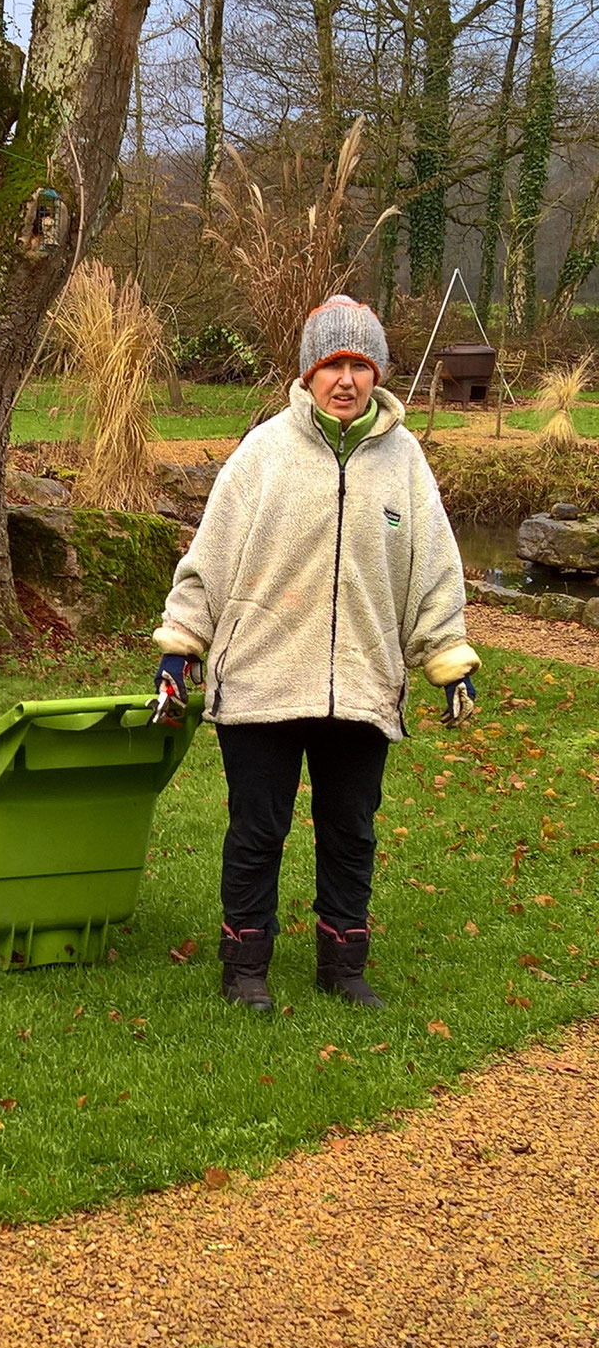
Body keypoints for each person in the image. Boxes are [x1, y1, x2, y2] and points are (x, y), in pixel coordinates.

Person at [152, 294, 480, 1013]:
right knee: (257, 831)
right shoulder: (262, 455)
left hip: (361, 682)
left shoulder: (405, 463)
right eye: (332, 363)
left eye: (359, 364)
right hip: (264, 680)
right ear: (306, 373)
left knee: (350, 831)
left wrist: (448, 657)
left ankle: (343, 964)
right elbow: (210, 562)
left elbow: (434, 570)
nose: (346, 378)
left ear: (378, 373)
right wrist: (181, 648)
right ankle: (244, 967)